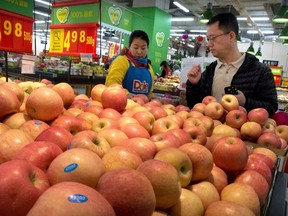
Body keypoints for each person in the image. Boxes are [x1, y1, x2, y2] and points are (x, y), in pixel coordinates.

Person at [186, 12, 278, 116]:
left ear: (231, 36)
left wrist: (245, 102)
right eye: (208, 38)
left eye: (213, 37)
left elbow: (271, 107)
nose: (209, 43)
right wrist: (194, 85)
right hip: (210, 130)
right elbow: (195, 106)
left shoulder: (260, 71)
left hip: (244, 131)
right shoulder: (209, 71)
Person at [105, 30, 154, 98]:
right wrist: (126, 94)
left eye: (143, 48)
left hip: (143, 107)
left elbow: (149, 92)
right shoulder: (121, 61)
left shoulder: (149, 68)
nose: (139, 52)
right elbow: (111, 84)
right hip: (121, 105)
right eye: (136, 47)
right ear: (129, 46)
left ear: (147, 48)